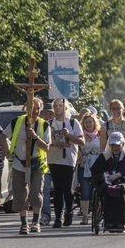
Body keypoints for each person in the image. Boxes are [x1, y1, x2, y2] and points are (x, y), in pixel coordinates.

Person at [4, 98, 52, 235]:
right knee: (20, 194)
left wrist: (35, 137)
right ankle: (24, 223)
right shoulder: (16, 122)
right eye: (32, 108)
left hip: (37, 164)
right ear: (27, 108)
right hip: (19, 163)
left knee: (36, 193)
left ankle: (36, 222)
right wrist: (7, 152)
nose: (35, 111)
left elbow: (47, 147)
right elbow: (2, 137)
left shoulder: (44, 125)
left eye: (37, 109)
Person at [90, 132, 125, 232]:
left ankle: (121, 222)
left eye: (118, 145)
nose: (115, 147)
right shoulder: (103, 157)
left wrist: (120, 175)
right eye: (113, 145)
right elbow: (94, 173)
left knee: (121, 189)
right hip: (107, 184)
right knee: (106, 189)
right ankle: (108, 222)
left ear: (123, 144)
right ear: (109, 145)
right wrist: (103, 177)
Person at [47, 98, 84, 228]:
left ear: (65, 108)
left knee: (67, 189)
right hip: (54, 159)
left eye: (60, 106)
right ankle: (57, 217)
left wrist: (68, 136)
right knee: (57, 189)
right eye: (55, 106)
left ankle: (68, 212)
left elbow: (81, 142)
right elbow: (45, 141)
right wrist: (53, 143)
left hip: (69, 159)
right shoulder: (49, 124)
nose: (58, 108)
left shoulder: (73, 123)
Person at [76, 112, 101, 225]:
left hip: (97, 167)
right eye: (86, 122)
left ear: (94, 123)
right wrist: (79, 157)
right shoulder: (81, 136)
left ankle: (98, 214)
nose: (88, 124)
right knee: (85, 192)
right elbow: (76, 149)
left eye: (90, 122)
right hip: (84, 166)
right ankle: (85, 217)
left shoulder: (100, 135)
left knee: (98, 192)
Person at [39, 102, 55, 226]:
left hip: (60, 162)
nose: (48, 115)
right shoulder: (41, 126)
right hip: (45, 163)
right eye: (46, 113)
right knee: (45, 191)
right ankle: (46, 214)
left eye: (50, 113)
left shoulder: (60, 124)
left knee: (61, 190)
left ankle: (61, 213)